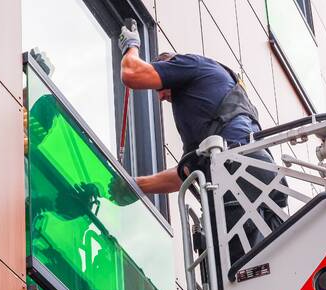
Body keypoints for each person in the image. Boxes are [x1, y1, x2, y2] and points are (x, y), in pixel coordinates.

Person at [116, 23, 288, 264]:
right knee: (266, 265)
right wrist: (136, 186)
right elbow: (187, 173)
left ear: (170, 67)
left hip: (237, 173)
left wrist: (130, 46)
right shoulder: (211, 108)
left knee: (234, 271)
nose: (161, 96)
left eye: (160, 88)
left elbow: (132, 74)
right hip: (258, 177)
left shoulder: (190, 64)